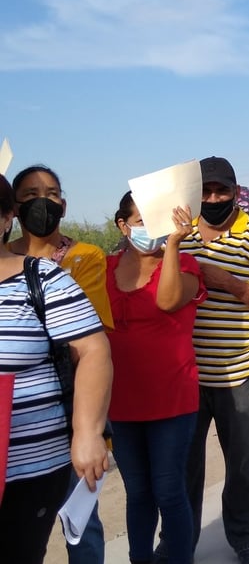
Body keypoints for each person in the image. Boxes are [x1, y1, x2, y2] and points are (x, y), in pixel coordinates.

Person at [173, 156, 249, 564]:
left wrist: (228, 283)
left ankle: (245, 540)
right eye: (206, 191)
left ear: (235, 193)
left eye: (222, 191)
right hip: (184, 373)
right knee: (183, 466)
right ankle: (177, 543)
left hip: (240, 370)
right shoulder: (178, 233)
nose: (214, 198)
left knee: (241, 465)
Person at [0, 173, 112, 564]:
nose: (41, 204)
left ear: (6, 217)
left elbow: (93, 349)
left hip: (28, 464)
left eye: (49, 195)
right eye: (31, 195)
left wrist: (87, 431)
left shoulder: (44, 277)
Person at [106, 192, 206, 564]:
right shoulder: (103, 267)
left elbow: (166, 301)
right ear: (123, 225)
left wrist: (174, 244)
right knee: (138, 493)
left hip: (172, 398)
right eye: (141, 220)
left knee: (168, 490)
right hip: (121, 400)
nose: (151, 230)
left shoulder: (186, 265)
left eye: (158, 220)